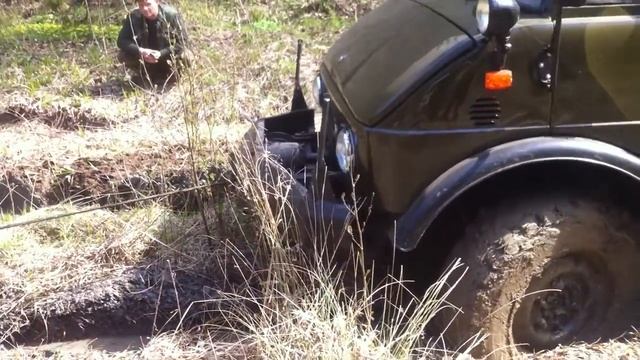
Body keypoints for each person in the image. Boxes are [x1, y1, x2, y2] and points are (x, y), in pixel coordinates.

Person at [117, 0, 190, 85]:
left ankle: (173, 74)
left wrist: (161, 53)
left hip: (168, 57)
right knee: (123, 55)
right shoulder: (134, 17)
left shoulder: (171, 16)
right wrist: (140, 51)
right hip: (145, 58)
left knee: (186, 55)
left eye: (148, 4)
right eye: (141, 5)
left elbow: (183, 42)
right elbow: (121, 41)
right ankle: (145, 74)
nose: (144, 8)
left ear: (157, 2)